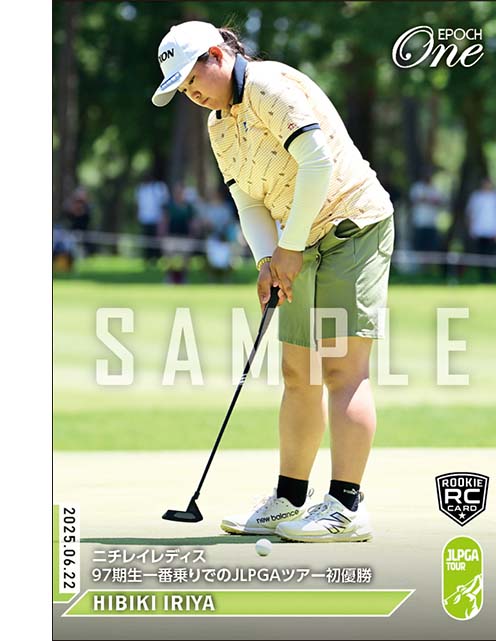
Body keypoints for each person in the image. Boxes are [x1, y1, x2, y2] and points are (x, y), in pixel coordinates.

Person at [152, 21, 394, 542]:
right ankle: (289, 500)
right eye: (183, 89)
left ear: (217, 55)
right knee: (298, 370)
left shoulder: (267, 85)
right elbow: (247, 200)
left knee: (341, 369)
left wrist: (289, 247)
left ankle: (346, 508)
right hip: (299, 240)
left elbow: (317, 163)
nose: (191, 94)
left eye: (193, 79)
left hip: (353, 225)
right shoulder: (218, 124)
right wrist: (268, 258)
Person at [466, 177, 496, 282]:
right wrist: (471, 228)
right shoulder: (476, 197)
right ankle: (485, 278)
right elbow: (470, 213)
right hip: (480, 231)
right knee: (482, 255)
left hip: (493, 231)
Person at [162, 183, 195, 284]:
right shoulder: (169, 205)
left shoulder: (188, 207)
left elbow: (191, 222)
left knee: (186, 259)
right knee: (168, 258)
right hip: (171, 236)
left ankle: (183, 278)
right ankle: (169, 277)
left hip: (185, 236)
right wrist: (163, 234)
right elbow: (165, 220)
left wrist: (192, 235)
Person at [409, 167, 446, 254]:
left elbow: (441, 202)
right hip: (419, 222)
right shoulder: (417, 187)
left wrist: (426, 199)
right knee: (418, 247)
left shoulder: (435, 188)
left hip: (431, 223)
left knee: (430, 248)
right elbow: (414, 200)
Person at [135, 170, 169, 263]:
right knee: (146, 239)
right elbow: (138, 204)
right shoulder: (140, 189)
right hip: (145, 219)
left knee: (156, 240)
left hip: (156, 219)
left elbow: (164, 203)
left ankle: (157, 258)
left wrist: (163, 218)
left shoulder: (159, 187)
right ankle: (147, 258)